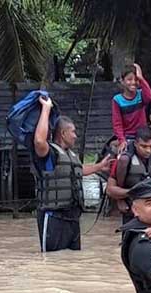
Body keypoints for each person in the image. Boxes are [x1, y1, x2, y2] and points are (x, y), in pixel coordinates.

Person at [33, 96, 113, 252]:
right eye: (73, 132)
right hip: (54, 218)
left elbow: (77, 171)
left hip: (72, 219)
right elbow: (38, 141)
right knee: (51, 262)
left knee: (72, 261)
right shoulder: (50, 154)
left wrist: (99, 166)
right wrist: (46, 108)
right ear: (63, 133)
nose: (76, 136)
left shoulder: (70, 155)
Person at [106, 126, 151, 223]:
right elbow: (110, 190)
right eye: (144, 146)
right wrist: (122, 198)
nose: (148, 150)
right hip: (131, 204)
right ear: (136, 144)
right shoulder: (124, 159)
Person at [112, 63, 151, 153]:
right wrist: (122, 140)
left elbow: (150, 97)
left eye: (136, 79)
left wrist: (141, 78)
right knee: (124, 159)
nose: (133, 82)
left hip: (143, 136)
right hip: (128, 137)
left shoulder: (140, 95)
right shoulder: (117, 100)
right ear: (122, 81)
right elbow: (117, 123)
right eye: (129, 79)